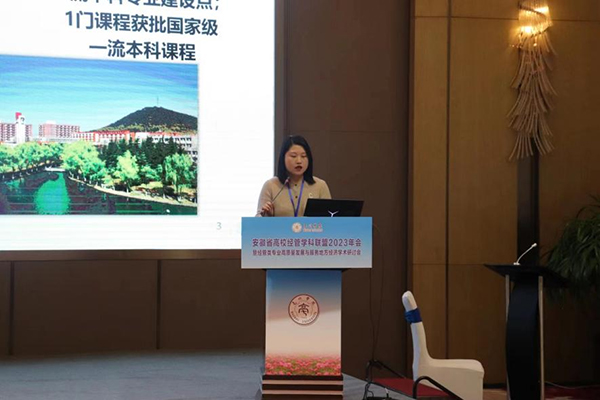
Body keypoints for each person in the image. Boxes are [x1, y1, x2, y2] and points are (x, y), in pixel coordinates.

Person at [257, 135, 331, 217]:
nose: (299, 161)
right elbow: (258, 219)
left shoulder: (320, 186)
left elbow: (329, 219)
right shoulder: (270, 185)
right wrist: (268, 216)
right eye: (293, 156)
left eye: (303, 156)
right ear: (283, 158)